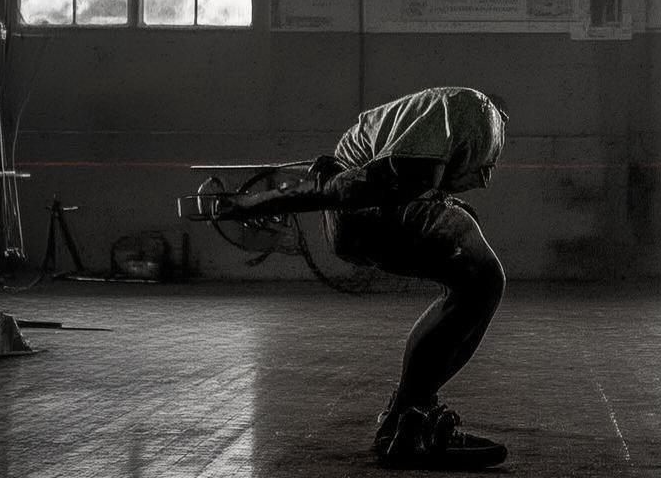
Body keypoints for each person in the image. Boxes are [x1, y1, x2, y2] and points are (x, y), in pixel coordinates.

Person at [212, 86, 509, 469]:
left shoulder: (436, 124)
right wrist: (265, 201)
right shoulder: (473, 112)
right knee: (483, 281)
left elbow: (378, 179)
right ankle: (408, 420)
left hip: (355, 219)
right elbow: (367, 184)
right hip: (368, 210)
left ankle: (408, 414)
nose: (485, 180)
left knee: (471, 285)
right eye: (486, 169)